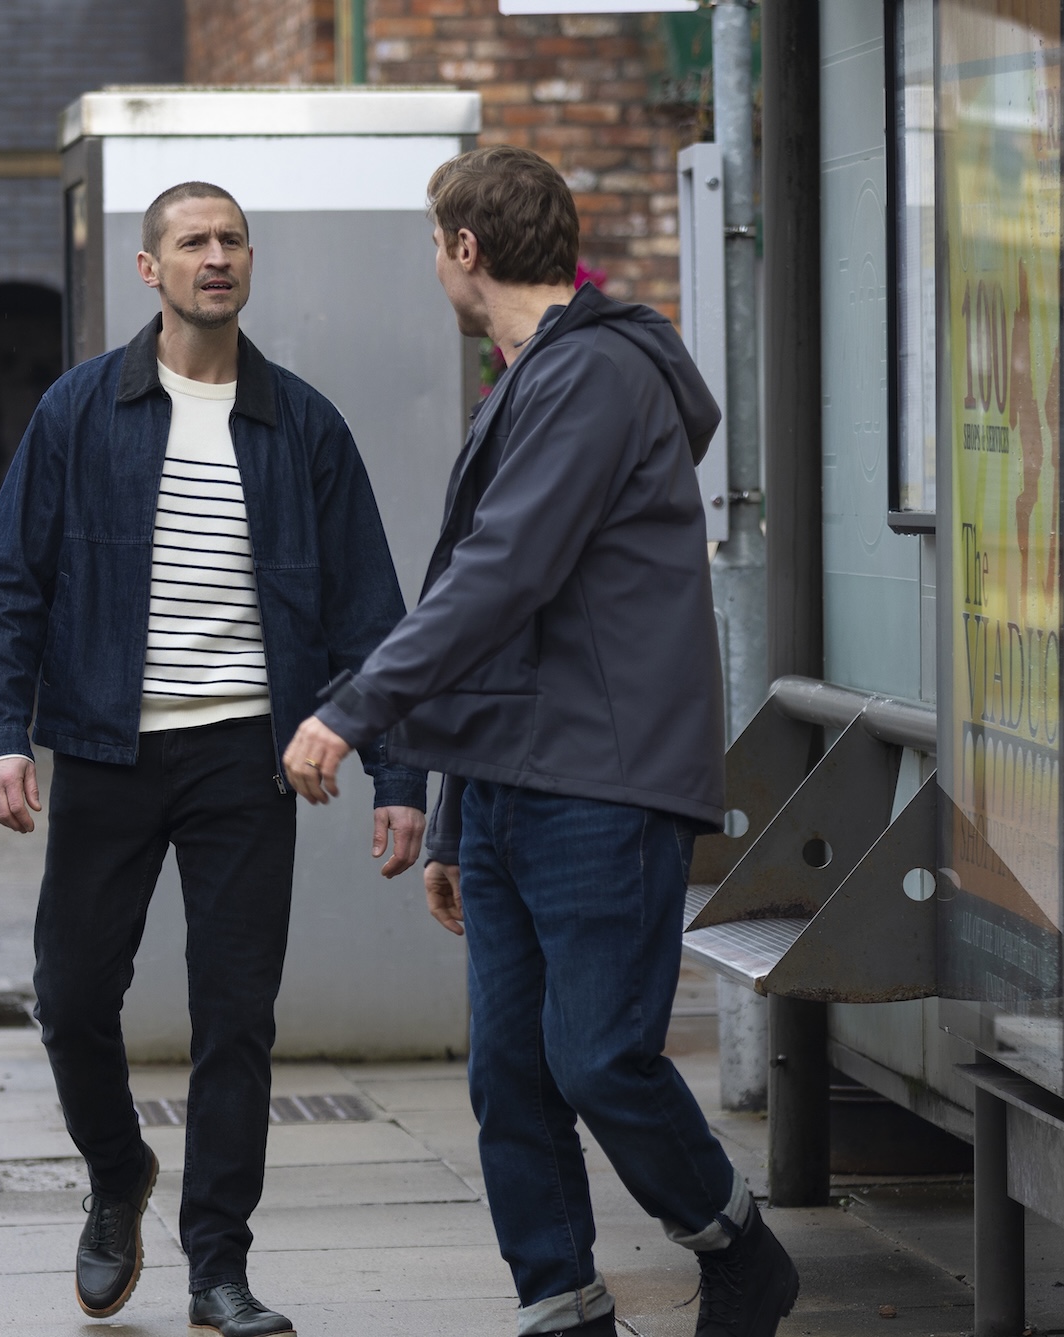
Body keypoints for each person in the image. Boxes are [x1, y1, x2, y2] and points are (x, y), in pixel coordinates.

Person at [281, 145, 800, 1337]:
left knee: (599, 1056)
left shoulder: (595, 378)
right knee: (510, 1073)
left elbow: (500, 578)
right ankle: (561, 1309)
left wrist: (348, 709)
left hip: (602, 783)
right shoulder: (533, 379)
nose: (435, 263)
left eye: (435, 243)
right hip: (517, 784)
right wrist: (457, 816)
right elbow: (505, 617)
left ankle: (737, 1245)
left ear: (465, 248)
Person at [0, 180, 427, 1337]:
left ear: (249, 262)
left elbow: (372, 615)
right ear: (149, 268)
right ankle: (118, 1170)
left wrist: (398, 774)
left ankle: (218, 1263)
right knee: (72, 996)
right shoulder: (80, 410)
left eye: (232, 240)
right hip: (107, 749)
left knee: (235, 1017)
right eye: (193, 241)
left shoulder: (304, 425)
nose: (216, 256)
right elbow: (7, 581)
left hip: (246, 759)